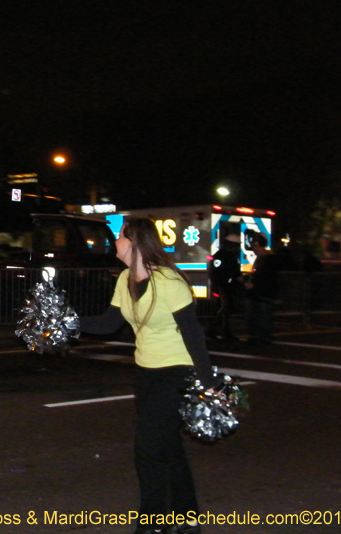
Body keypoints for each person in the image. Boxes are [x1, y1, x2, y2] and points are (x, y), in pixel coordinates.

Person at [79, 218, 220, 534]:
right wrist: (68, 321)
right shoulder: (125, 279)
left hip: (176, 374)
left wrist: (209, 384)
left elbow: (193, 335)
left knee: (148, 448)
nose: (114, 241)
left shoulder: (169, 282)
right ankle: (187, 517)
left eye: (119, 236)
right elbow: (107, 324)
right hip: (145, 374)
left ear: (133, 242)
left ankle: (152, 522)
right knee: (167, 447)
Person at [245, 233, 278, 345]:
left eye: (256, 246)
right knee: (254, 315)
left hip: (263, 293)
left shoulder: (269, 260)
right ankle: (255, 335)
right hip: (257, 292)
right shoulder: (261, 259)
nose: (254, 249)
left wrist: (254, 283)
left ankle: (264, 336)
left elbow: (267, 276)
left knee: (263, 315)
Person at [207, 233, 242, 340]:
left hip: (227, 285)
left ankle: (225, 331)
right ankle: (211, 329)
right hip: (222, 285)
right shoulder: (222, 256)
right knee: (223, 306)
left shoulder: (229, 255)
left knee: (226, 308)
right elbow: (219, 271)